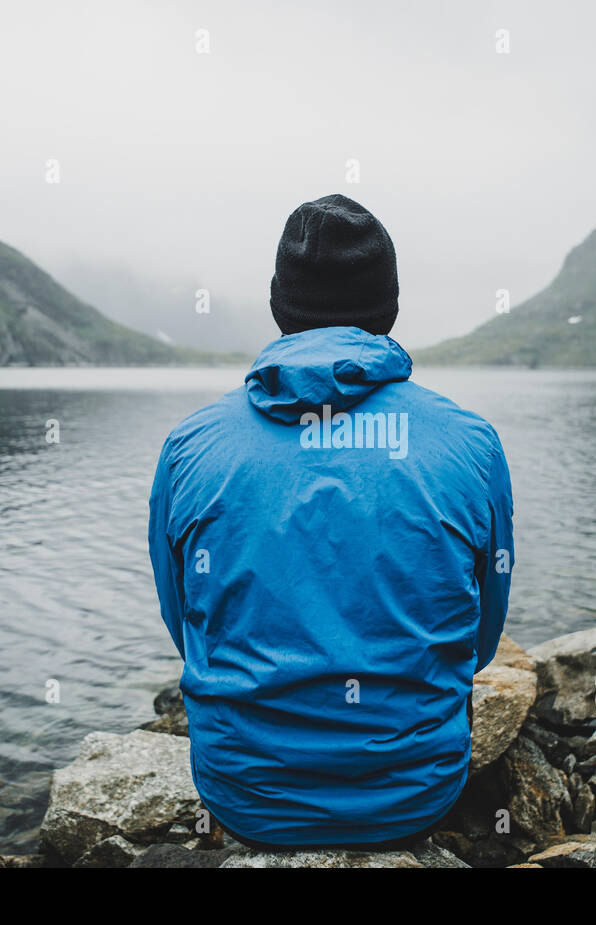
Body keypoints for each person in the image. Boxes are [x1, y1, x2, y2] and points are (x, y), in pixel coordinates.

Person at [147, 193, 514, 849]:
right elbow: (481, 639)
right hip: (415, 789)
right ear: (390, 308)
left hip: (244, 792)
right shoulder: (470, 443)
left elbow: (185, 623)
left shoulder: (191, 446)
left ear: (278, 308)